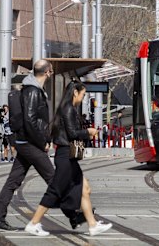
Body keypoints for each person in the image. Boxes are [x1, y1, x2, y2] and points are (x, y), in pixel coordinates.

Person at [25, 81, 112, 237]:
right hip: (65, 156)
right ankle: (33, 223)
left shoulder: (68, 109)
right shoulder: (68, 109)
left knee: (85, 189)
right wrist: (88, 132)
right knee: (54, 191)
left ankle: (92, 225)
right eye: (83, 94)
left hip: (68, 156)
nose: (83, 98)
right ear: (75, 93)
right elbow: (72, 133)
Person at [0, 59, 56, 232]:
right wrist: (43, 142)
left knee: (13, 181)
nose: (52, 73)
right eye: (52, 71)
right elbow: (31, 120)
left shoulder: (31, 89)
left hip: (24, 142)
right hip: (31, 143)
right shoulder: (33, 91)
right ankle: (80, 213)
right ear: (47, 72)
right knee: (54, 179)